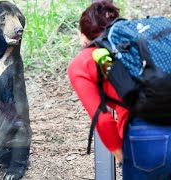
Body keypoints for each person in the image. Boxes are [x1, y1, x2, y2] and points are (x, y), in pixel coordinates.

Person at [69, 1, 171, 179]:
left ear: (83, 36)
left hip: (146, 136)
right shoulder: (142, 40)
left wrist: (121, 155)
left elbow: (102, 120)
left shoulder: (82, 62)